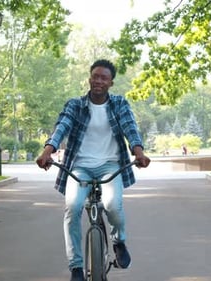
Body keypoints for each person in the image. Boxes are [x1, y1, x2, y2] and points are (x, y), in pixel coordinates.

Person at [36, 59, 151, 281]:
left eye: (103, 78)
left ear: (111, 82)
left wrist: (138, 152)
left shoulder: (119, 104)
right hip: (80, 167)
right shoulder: (75, 105)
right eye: (95, 76)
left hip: (110, 166)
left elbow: (130, 128)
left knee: (111, 205)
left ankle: (119, 241)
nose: (98, 81)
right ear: (89, 78)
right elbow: (62, 127)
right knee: (73, 208)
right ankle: (76, 267)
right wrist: (47, 151)